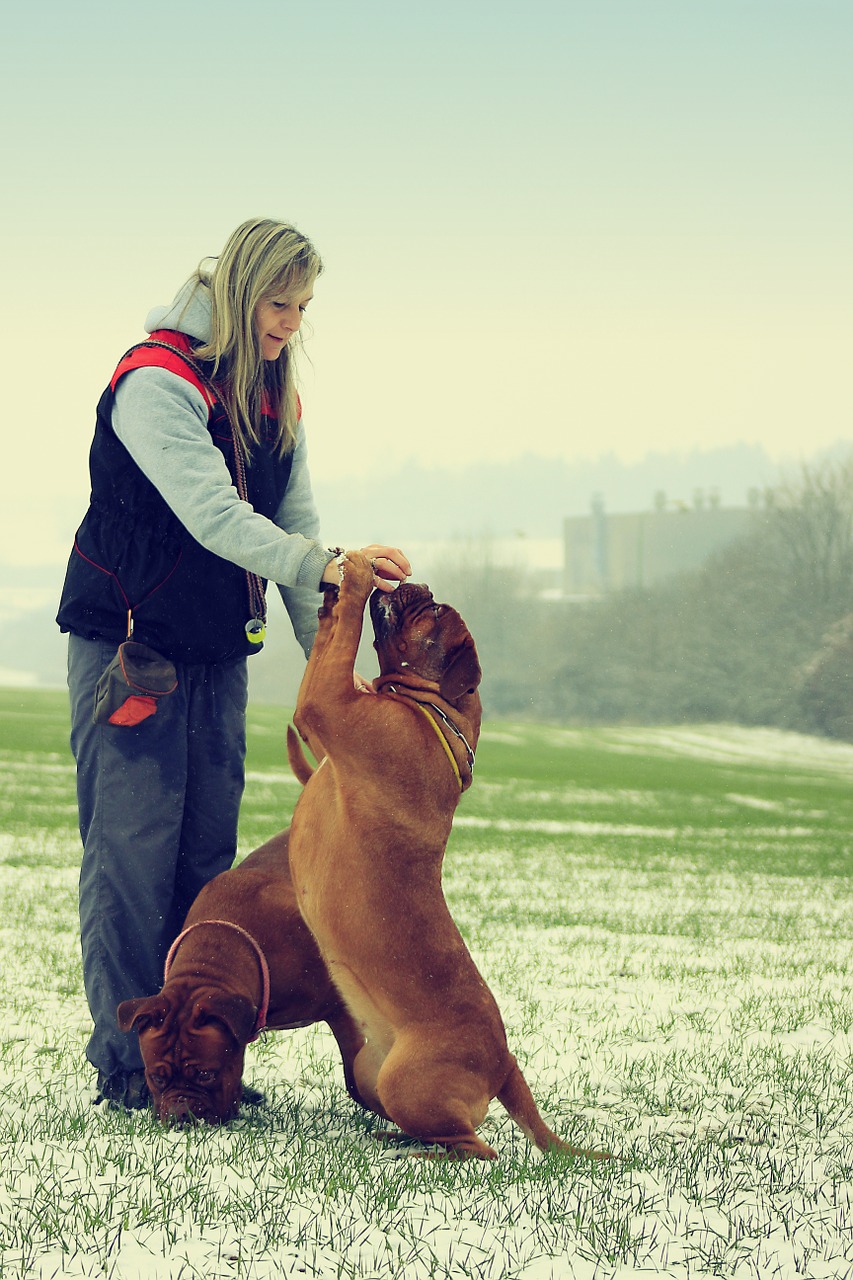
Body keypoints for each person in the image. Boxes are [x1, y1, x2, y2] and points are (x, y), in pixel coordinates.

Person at [56, 217, 411, 1111]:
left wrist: (331, 666)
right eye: (278, 305)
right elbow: (213, 516)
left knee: (206, 863)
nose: (291, 323)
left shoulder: (272, 396)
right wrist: (323, 565)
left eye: (303, 308)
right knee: (131, 860)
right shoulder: (154, 383)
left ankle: (198, 1058)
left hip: (216, 654)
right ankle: (128, 1064)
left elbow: (294, 537)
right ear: (239, 292)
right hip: (130, 654)